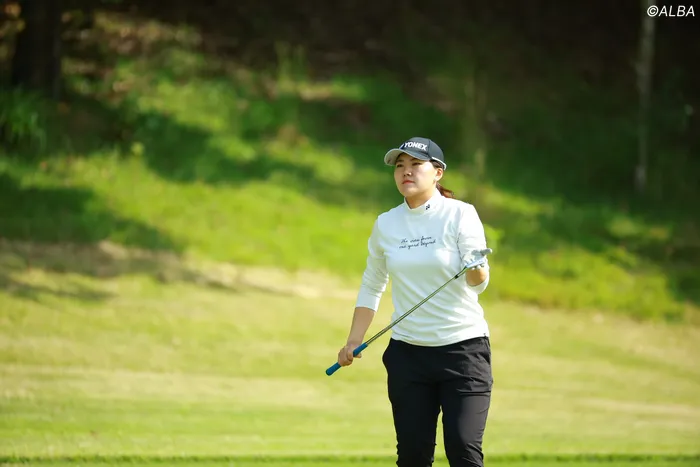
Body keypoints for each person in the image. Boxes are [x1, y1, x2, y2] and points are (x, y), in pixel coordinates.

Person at [335, 137, 494, 467]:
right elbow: (372, 283)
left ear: (438, 173)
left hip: (463, 352)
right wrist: (353, 339)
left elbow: (478, 282)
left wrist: (477, 270)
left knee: (463, 450)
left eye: (415, 164)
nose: (406, 171)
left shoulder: (461, 214)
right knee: (412, 457)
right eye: (400, 166)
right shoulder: (386, 223)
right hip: (408, 356)